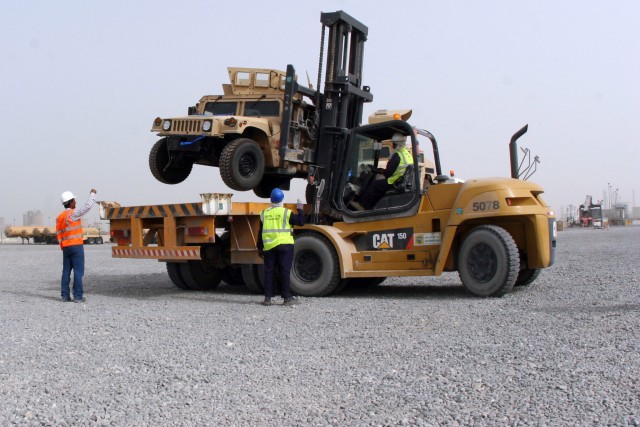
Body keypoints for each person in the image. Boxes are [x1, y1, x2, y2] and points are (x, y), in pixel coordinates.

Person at [257, 188, 305, 306]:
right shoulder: (286, 213)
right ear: (282, 199)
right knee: (284, 271)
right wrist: (300, 209)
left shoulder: (264, 214)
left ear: (271, 200)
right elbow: (301, 221)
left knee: (269, 272)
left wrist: (259, 248)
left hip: (269, 247)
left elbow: (260, 232)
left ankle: (268, 299)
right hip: (285, 246)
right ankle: (287, 298)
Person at [352, 133, 414, 210]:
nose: (392, 145)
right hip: (399, 180)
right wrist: (381, 171)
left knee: (375, 184)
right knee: (378, 179)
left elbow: (388, 173)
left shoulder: (397, 156)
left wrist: (380, 171)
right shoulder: (407, 154)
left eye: (393, 143)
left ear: (396, 143)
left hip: (394, 181)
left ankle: (363, 206)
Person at [56, 189, 97, 303]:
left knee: (66, 271)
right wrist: (92, 194)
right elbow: (87, 207)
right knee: (78, 272)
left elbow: (59, 234)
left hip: (65, 247)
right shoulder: (72, 214)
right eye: (74, 200)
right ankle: (78, 297)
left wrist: (63, 246)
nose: (76, 202)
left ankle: (65, 296)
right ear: (70, 202)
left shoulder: (59, 217)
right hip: (76, 246)